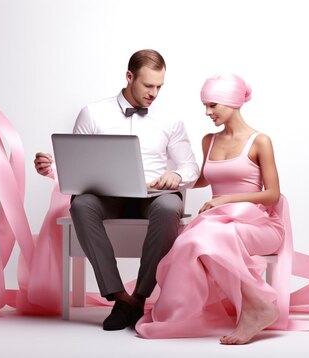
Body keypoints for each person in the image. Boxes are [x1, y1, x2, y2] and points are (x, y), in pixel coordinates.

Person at [33, 49, 200, 330]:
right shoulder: (93, 113)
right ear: (129, 76)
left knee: (171, 206)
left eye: (159, 86)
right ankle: (120, 297)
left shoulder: (171, 119)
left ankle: (140, 296)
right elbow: (74, 164)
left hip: (153, 195)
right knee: (81, 204)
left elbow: (191, 168)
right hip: (106, 196)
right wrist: (50, 167)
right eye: (148, 85)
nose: (154, 93)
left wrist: (175, 174)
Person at [135, 73, 289, 345]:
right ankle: (189, 313)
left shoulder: (260, 141)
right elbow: (203, 179)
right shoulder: (210, 140)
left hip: (258, 224)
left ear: (231, 103)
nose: (207, 112)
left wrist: (225, 201)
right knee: (191, 240)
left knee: (211, 236)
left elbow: (272, 194)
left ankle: (256, 307)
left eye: (213, 105)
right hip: (219, 223)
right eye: (205, 105)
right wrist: (169, 179)